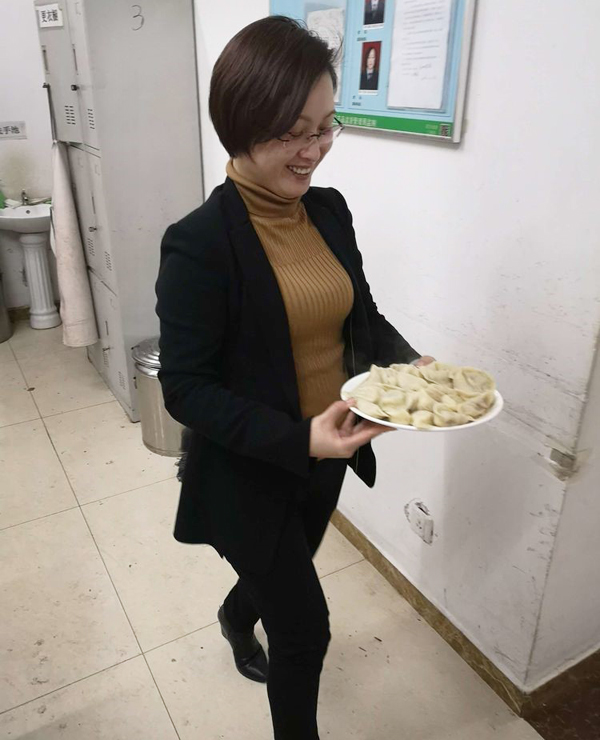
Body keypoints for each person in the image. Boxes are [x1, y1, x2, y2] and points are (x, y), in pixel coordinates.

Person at [155, 15, 434, 740]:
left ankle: (234, 615)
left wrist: (410, 364)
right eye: (291, 133)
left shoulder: (329, 212)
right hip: (249, 469)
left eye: (326, 126)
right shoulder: (198, 244)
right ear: (240, 127)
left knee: (288, 567)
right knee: (305, 630)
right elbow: (185, 387)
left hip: (326, 457)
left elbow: (360, 315)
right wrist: (297, 437)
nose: (314, 150)